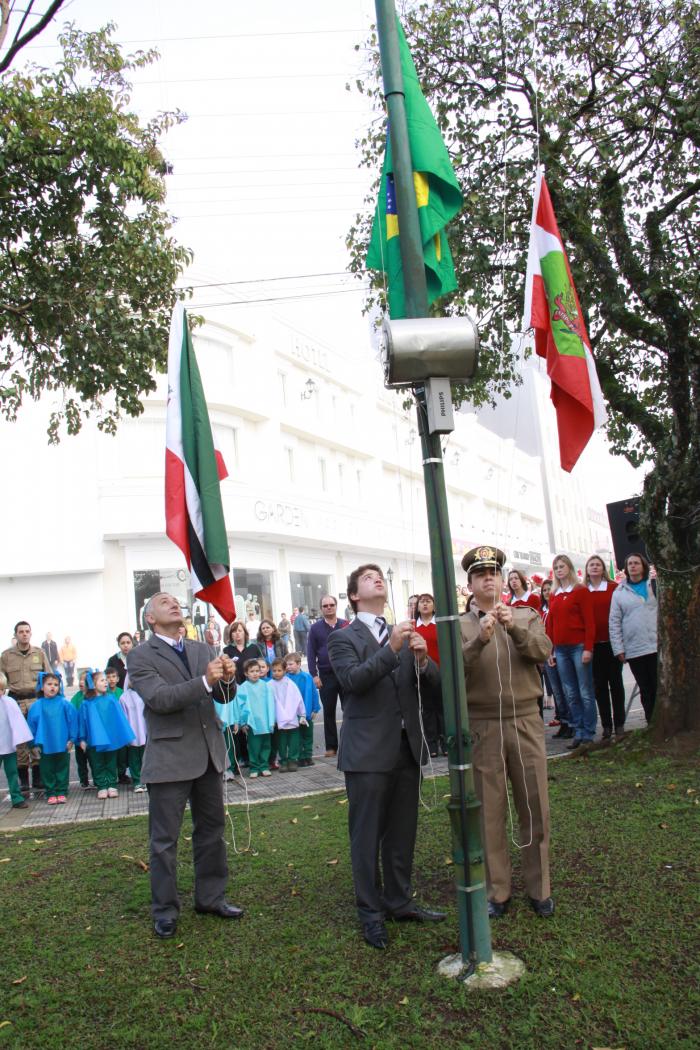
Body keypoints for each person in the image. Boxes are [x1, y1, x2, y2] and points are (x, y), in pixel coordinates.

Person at [327, 563, 444, 950]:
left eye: (381, 575)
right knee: (366, 836)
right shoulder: (343, 638)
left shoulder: (404, 633)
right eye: (368, 577)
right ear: (355, 596)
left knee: (402, 831)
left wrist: (424, 661)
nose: (378, 578)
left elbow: (436, 687)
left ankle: (399, 901)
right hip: (366, 752)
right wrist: (392, 648)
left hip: (406, 747)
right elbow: (352, 682)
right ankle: (371, 913)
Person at [126, 592, 243, 939]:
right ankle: (164, 909)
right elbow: (160, 700)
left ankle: (211, 897)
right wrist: (206, 681)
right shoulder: (140, 656)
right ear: (149, 618)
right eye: (164, 602)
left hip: (208, 754)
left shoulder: (201, 649)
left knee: (212, 832)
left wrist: (227, 679)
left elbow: (223, 697)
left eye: (176, 600)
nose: (174, 603)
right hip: (169, 759)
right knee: (164, 841)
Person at [459, 545, 554, 919]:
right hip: (483, 724)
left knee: (535, 804)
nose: (489, 579)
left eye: (494, 573)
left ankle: (540, 887)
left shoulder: (526, 615)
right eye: (481, 574)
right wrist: (478, 640)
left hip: (525, 719)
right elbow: (454, 672)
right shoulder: (460, 624)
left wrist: (512, 628)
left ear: (503, 580)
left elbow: (542, 651)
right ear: (469, 584)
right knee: (490, 810)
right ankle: (498, 891)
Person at [545, 554, 597, 751]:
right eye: (556, 567)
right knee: (570, 693)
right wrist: (549, 649)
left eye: (562, 566)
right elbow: (551, 624)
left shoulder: (580, 591)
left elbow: (589, 622)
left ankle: (588, 732)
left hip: (578, 646)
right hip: (560, 648)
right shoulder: (555, 594)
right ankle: (578, 730)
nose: (559, 570)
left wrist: (588, 648)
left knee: (585, 692)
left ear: (569, 568)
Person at [0, 621, 51, 795]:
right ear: (16, 634)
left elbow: (49, 676)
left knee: (37, 738)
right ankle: (23, 781)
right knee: (20, 742)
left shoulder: (39, 653)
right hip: (16, 702)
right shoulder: (6, 656)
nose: (24, 634)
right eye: (21, 632)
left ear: (31, 633)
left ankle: (38, 778)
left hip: (36, 701)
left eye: (27, 631)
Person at [609, 553, 658, 724]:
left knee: (658, 686)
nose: (633, 566)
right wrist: (618, 648)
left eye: (636, 563)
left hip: (656, 645)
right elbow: (614, 622)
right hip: (635, 648)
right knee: (645, 689)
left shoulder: (654, 585)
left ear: (643, 566)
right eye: (629, 563)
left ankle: (663, 722)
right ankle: (651, 722)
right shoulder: (619, 592)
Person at [585, 555, 626, 739]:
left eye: (598, 564)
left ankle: (620, 724)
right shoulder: (582, 591)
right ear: (587, 569)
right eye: (591, 565)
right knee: (599, 687)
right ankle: (607, 726)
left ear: (603, 569)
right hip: (593, 646)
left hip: (612, 643)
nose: (594, 567)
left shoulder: (613, 588)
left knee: (616, 684)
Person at [77, 670, 135, 800]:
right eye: (102, 680)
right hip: (94, 740)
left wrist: (123, 734)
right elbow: (82, 721)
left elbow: (120, 718)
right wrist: (82, 739)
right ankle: (102, 786)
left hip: (111, 738)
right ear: (93, 684)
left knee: (110, 762)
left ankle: (112, 784)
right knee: (97, 763)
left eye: (105, 680)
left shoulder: (111, 699)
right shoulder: (86, 703)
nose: (106, 682)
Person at [26, 671, 78, 805]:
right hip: (44, 744)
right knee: (47, 769)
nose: (53, 687)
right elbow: (31, 725)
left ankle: (61, 791)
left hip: (62, 743)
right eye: (49, 684)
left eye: (56, 684)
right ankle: (50, 792)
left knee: (62, 768)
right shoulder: (37, 706)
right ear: (42, 687)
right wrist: (33, 744)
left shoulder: (65, 704)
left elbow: (73, 721)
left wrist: (72, 739)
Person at [306, 595, 349, 758]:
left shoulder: (345, 625)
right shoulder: (315, 628)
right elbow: (310, 653)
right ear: (322, 608)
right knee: (329, 712)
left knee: (349, 710)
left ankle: (349, 743)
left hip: (345, 673)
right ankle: (331, 747)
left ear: (336, 606)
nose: (329, 607)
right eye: (325, 606)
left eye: (331, 605)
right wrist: (314, 675)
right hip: (326, 676)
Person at [414, 593, 446, 757]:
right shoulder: (414, 626)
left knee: (442, 708)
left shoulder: (440, 624)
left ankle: (445, 742)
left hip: (441, 672)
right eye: (422, 602)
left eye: (428, 602)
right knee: (427, 709)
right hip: (422, 673)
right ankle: (431, 743)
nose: (425, 605)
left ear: (434, 605)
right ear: (417, 606)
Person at [539, 580, 572, 738]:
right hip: (547, 654)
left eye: (549, 589)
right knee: (557, 692)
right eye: (544, 590)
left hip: (560, 652)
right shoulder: (541, 611)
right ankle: (564, 722)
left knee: (567, 690)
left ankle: (572, 723)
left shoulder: (557, 606)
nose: (546, 592)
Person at [235, 658, 276, 779]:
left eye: (257, 671)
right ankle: (254, 767)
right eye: (252, 671)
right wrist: (243, 722)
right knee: (253, 746)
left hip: (266, 721)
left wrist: (272, 720)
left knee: (266, 745)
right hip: (252, 723)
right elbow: (240, 706)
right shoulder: (243, 687)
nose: (255, 673)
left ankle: (264, 766)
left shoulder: (266, 686)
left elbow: (270, 703)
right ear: (246, 673)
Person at [0, 671, 33, 810]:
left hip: (8, 745)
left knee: (12, 772)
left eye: (1, 689)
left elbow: (18, 722)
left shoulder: (9, 702)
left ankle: (16, 797)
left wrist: (23, 740)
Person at [269, 658, 308, 772]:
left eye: (279, 670)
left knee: (293, 741)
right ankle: (283, 761)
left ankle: (292, 760)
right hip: (279, 719)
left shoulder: (290, 684)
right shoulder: (269, 685)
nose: (276, 673)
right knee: (281, 742)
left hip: (292, 718)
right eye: (274, 670)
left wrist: (302, 714)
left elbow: (298, 699)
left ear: (285, 670)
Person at [285, 652, 321, 766]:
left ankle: (308, 756)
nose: (288, 667)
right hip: (294, 714)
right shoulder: (286, 679)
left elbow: (314, 693)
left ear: (299, 664)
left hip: (307, 711)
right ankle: (300, 757)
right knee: (297, 736)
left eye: (291, 664)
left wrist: (315, 708)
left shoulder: (307, 677)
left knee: (308, 735)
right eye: (287, 665)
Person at [119, 674, 148, 792]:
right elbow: (123, 718)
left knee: (145, 758)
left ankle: (145, 780)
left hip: (145, 732)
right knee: (134, 759)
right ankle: (137, 781)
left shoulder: (145, 694)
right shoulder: (123, 698)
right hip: (132, 734)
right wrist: (126, 735)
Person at [70, 671, 93, 788]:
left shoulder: (93, 697)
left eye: (84, 679)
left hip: (91, 736)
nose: (81, 682)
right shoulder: (76, 698)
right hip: (79, 736)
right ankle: (83, 780)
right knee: (81, 761)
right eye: (80, 679)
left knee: (93, 759)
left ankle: (97, 779)